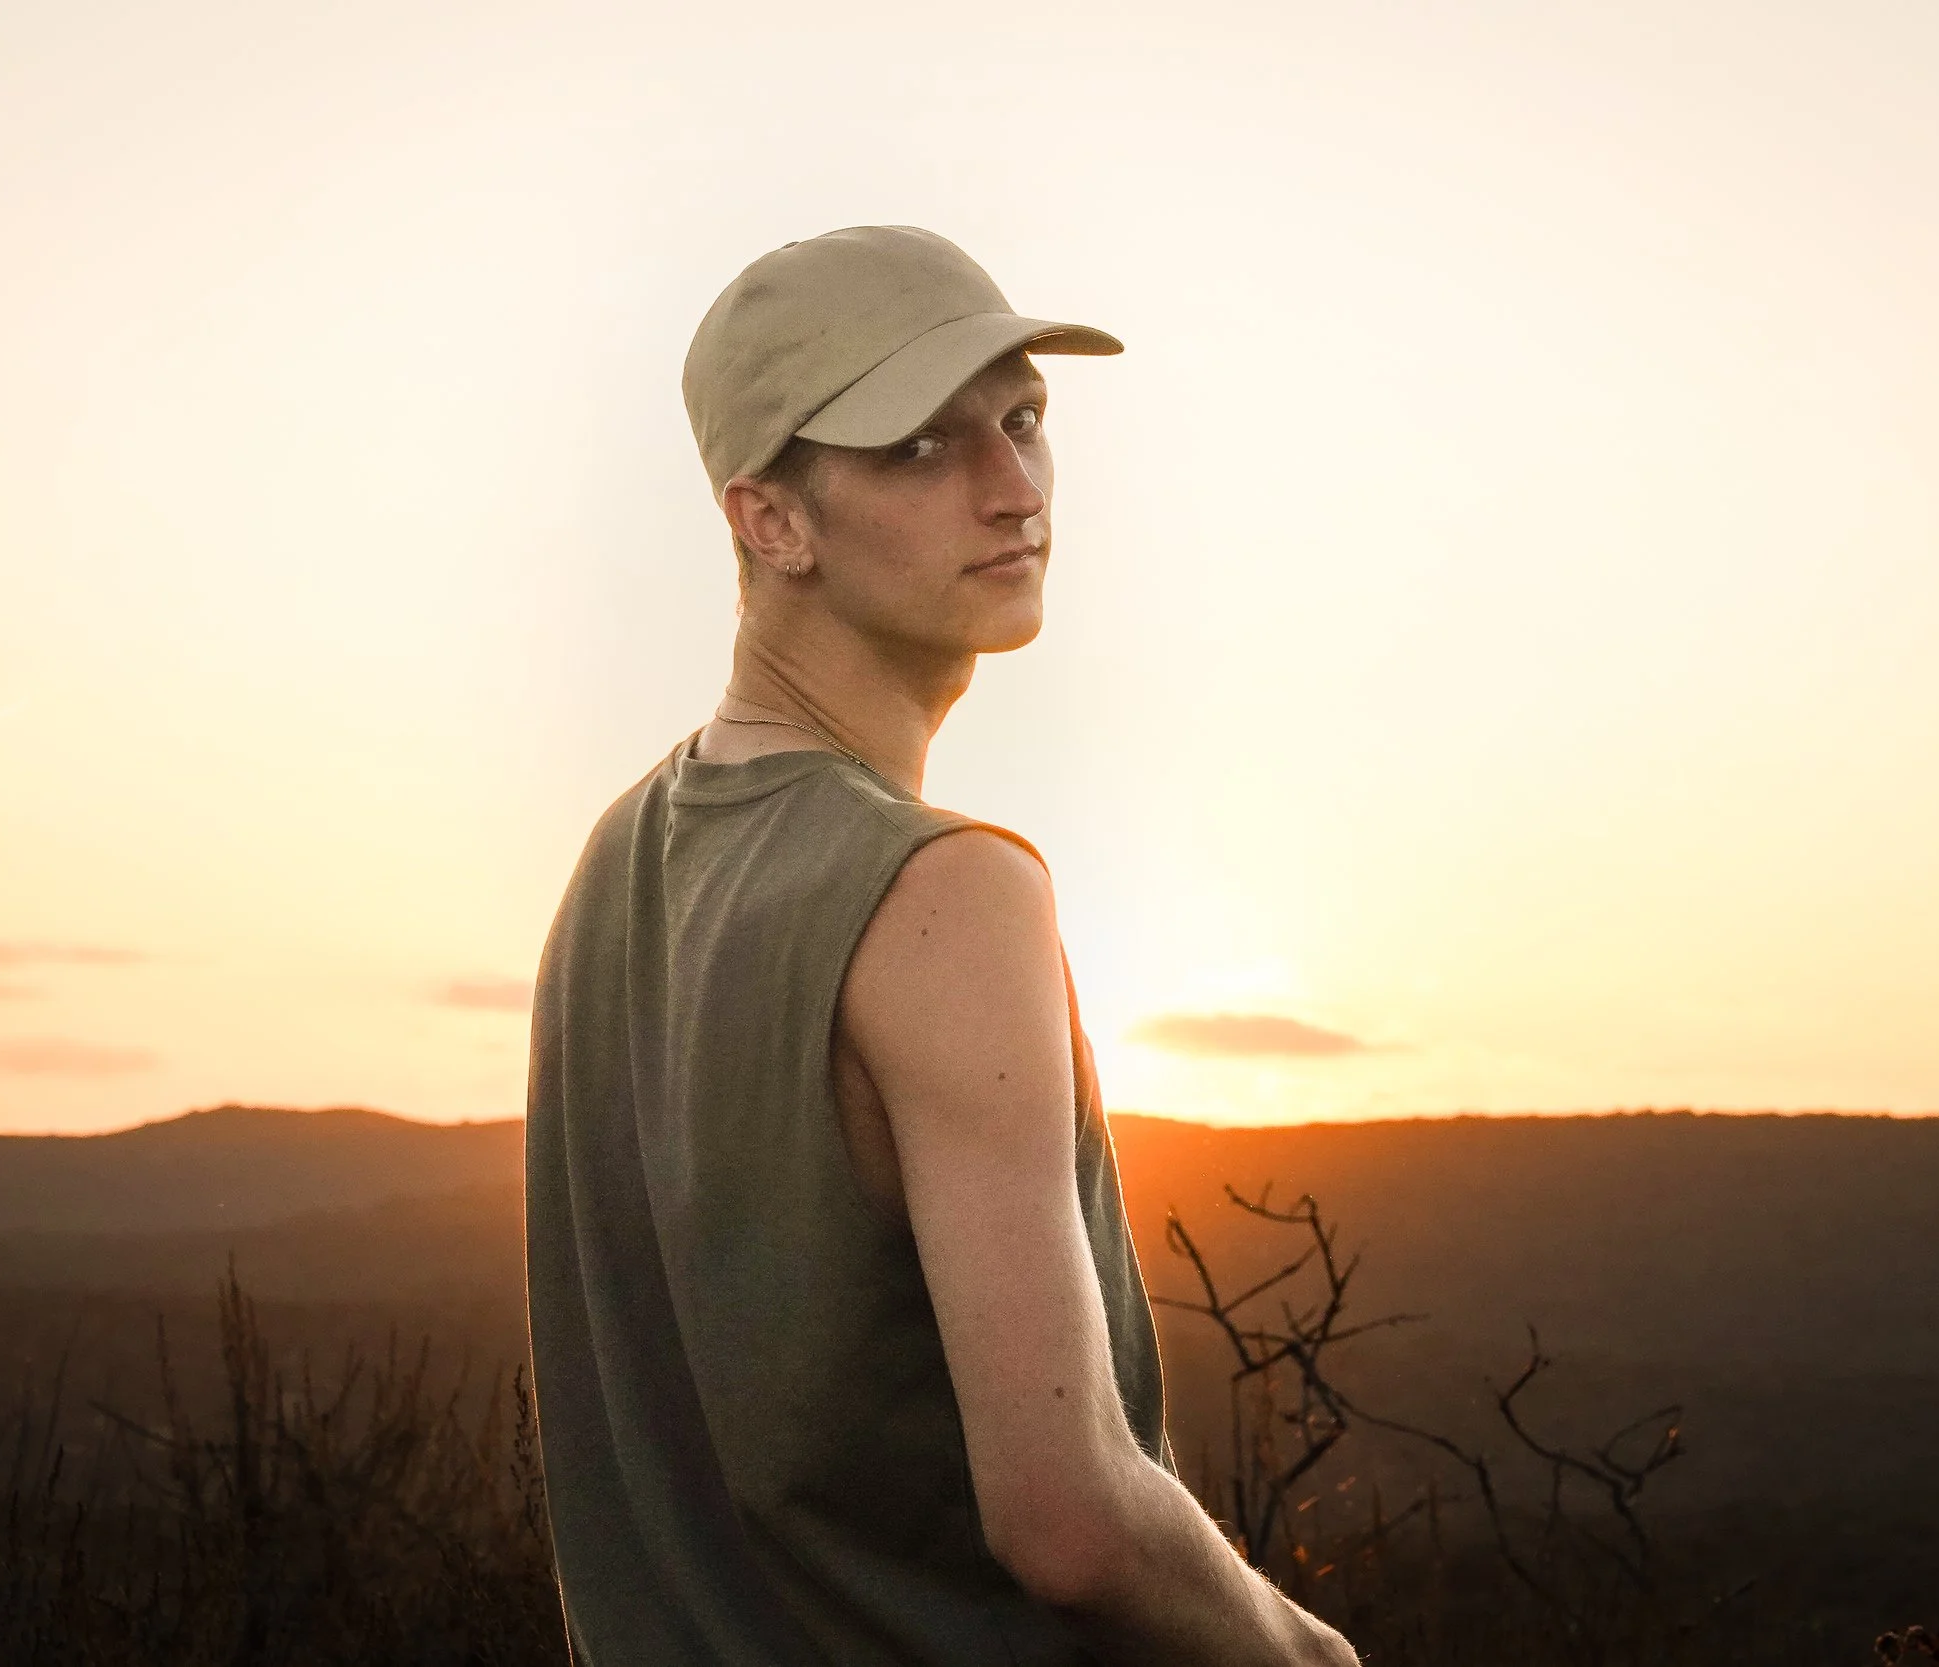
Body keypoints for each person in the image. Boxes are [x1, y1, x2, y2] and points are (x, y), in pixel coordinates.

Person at [523, 224, 1356, 1667]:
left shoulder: (614, 864)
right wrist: (1311, 1658)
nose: (1013, 488)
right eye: (917, 445)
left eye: (1023, 419)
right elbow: (1072, 1521)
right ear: (769, 521)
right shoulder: (945, 893)